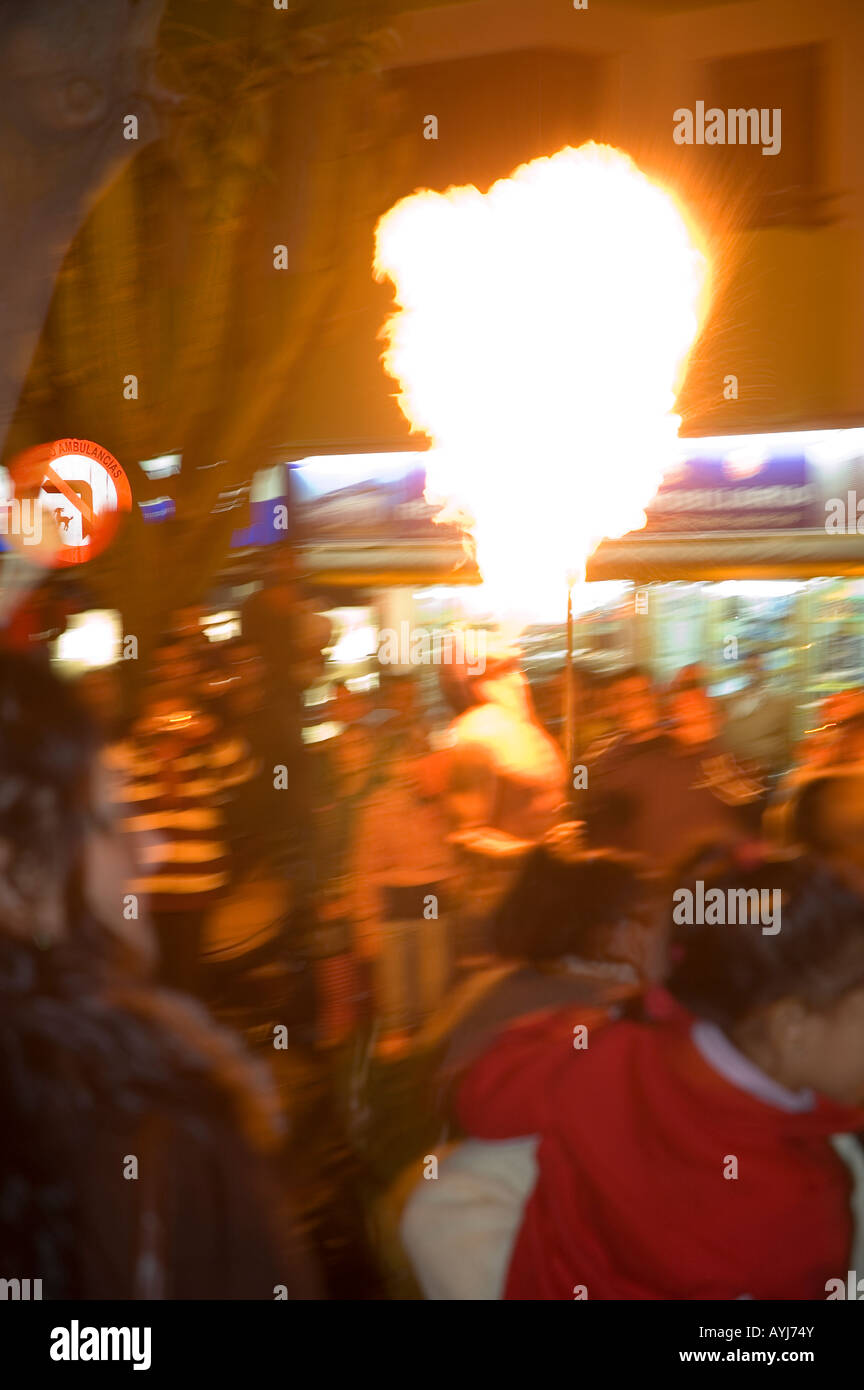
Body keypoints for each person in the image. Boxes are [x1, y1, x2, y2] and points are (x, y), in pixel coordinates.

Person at [0, 653, 319, 1299]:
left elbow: (244, 775)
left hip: (199, 890)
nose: (150, 846)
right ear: (22, 870)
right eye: (109, 821)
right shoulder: (152, 1132)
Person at [453, 850, 864, 1299]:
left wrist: (618, 1014)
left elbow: (482, 1098)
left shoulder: (611, 1050)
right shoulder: (803, 1204)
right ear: (792, 1029)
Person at [586, 665, 763, 868]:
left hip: (715, 884)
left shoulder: (726, 759)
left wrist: (709, 745)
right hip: (655, 881)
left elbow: (752, 806)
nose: (634, 703)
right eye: (624, 697)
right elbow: (597, 800)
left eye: (642, 694)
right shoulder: (625, 759)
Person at [722, 654, 794, 777]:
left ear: (766, 671)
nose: (753, 673)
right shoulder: (729, 702)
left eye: (758, 668)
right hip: (737, 773)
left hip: (771, 772)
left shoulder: (782, 703)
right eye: (749, 668)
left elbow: (788, 742)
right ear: (743, 671)